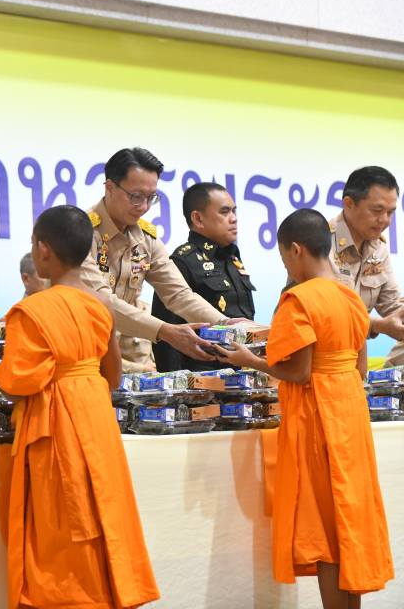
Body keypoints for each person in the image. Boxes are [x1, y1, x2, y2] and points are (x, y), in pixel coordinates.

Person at [0, 205, 160, 609]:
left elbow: (15, 386)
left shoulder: (30, 311)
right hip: (97, 421)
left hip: (57, 426)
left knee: (62, 531)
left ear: (43, 251)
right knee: (103, 516)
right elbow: (113, 376)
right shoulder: (99, 308)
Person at [215, 209, 393, 608]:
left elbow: (297, 371)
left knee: (327, 528)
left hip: (318, 418)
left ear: (295, 250)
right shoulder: (349, 296)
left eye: (283, 258)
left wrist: (249, 360)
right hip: (349, 412)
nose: (286, 267)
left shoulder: (299, 299)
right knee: (349, 519)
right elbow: (360, 366)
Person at [81, 147, 232, 371]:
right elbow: (101, 302)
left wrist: (226, 324)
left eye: (151, 198)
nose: (143, 207)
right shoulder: (81, 231)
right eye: (136, 197)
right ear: (110, 187)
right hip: (84, 353)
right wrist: (165, 331)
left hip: (130, 356)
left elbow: (178, 294)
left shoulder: (145, 238)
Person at [152, 182, 256, 371]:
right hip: (203, 381)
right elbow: (167, 338)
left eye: (234, 211)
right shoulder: (182, 261)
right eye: (225, 212)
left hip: (242, 375)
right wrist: (180, 395)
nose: (233, 219)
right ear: (198, 219)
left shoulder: (232, 257)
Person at [324, 166, 404, 366]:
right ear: (349, 204)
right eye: (377, 211)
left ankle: (386, 389)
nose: (385, 220)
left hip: (354, 358)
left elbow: (392, 305)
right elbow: (324, 316)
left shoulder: (378, 248)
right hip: (319, 357)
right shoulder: (320, 242)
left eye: (391, 212)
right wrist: (376, 325)